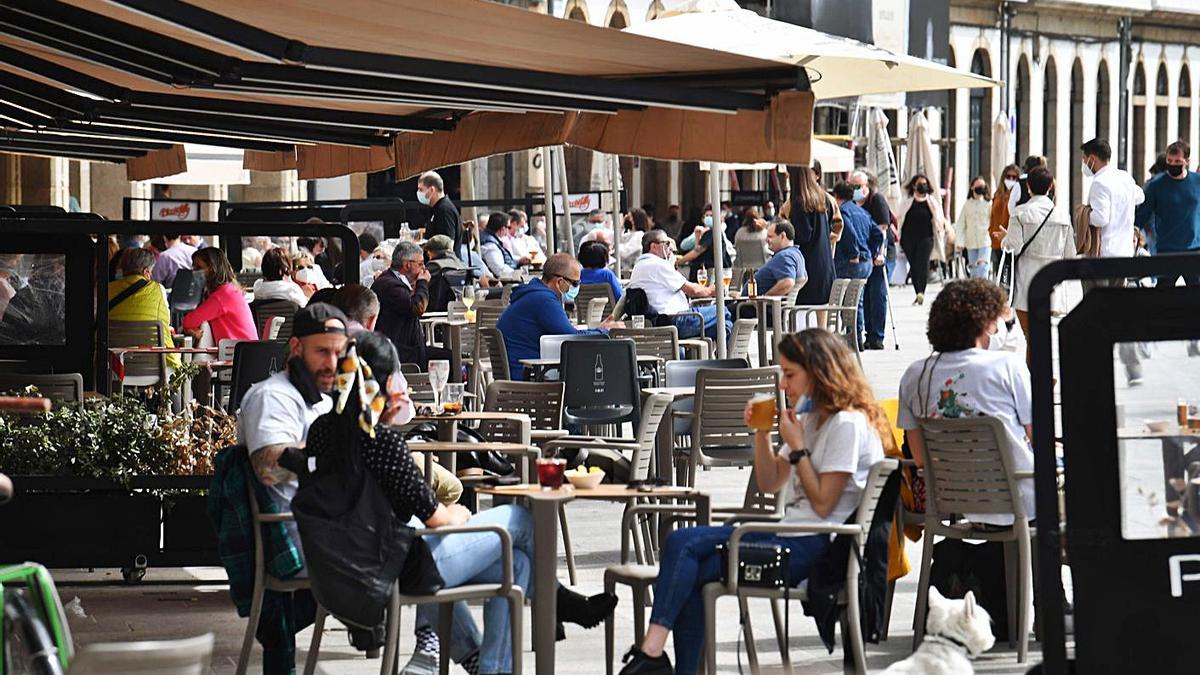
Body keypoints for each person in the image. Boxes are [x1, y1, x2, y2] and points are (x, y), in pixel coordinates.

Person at [619, 328, 889, 675]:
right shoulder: (808, 419)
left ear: (819, 372)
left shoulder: (846, 424)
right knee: (696, 573)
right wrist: (761, 433)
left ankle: (651, 654)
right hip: (793, 536)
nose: (782, 385)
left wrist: (800, 451)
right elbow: (769, 481)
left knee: (683, 542)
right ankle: (660, 660)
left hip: (820, 546)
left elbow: (823, 504)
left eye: (790, 374)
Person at [897, 279, 1035, 526]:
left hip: (951, 501)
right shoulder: (1007, 366)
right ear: (983, 323)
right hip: (1020, 503)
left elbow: (920, 458)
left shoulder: (913, 376)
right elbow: (1038, 438)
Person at [1082, 137, 1147, 384]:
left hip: (1102, 257)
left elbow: (1100, 219)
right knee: (1119, 311)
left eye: (1084, 160)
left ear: (1092, 159)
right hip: (1123, 255)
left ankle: (1095, 366)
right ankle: (1133, 368)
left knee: (1094, 312)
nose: (1084, 164)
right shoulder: (1124, 177)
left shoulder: (1099, 183)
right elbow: (1139, 197)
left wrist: (1083, 213)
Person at [496, 253, 619, 380]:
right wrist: (607, 332)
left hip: (521, 370)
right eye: (575, 283)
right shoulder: (543, 300)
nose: (577, 288)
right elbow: (572, 338)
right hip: (526, 375)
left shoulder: (533, 294)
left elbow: (567, 333)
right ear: (560, 282)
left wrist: (599, 329)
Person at [1002, 167, 1075, 364]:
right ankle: (1038, 380)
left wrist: (1004, 239)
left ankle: (1039, 380)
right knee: (1038, 336)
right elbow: (1070, 253)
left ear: (1028, 187)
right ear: (1051, 186)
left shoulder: (1020, 213)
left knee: (1031, 337)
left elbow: (1013, 247)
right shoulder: (1062, 215)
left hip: (1027, 280)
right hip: (1053, 281)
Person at [628, 230, 729, 340]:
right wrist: (712, 290)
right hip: (677, 320)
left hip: (661, 322)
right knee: (723, 311)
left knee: (721, 326)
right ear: (654, 247)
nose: (670, 248)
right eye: (666, 244)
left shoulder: (639, 266)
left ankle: (722, 354)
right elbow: (693, 291)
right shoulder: (657, 264)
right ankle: (732, 354)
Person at [372, 241, 451, 369]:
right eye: (420, 264)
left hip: (405, 348)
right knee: (450, 359)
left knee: (448, 355)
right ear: (407, 265)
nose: (424, 268)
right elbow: (417, 307)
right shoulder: (390, 284)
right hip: (399, 352)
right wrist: (422, 282)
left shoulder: (392, 280)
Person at [1136, 140, 1200, 287]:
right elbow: (1143, 214)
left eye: (1177, 161)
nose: (1173, 164)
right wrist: (1134, 231)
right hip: (1167, 250)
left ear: (1187, 161)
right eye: (1169, 161)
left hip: (1195, 250)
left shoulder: (1197, 182)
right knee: (1163, 296)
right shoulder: (1155, 186)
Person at [109, 248, 181, 371]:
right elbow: (166, 322)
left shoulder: (107, 289)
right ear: (146, 272)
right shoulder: (158, 290)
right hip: (154, 368)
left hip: (115, 367)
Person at [849, 169, 893, 350]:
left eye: (858, 186)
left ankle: (877, 336)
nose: (855, 189)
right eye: (852, 186)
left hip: (880, 252)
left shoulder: (876, 200)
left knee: (877, 293)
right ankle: (868, 334)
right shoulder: (853, 203)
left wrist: (879, 254)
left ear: (867, 186)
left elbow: (882, 229)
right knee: (865, 295)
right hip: (864, 255)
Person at [832, 182, 880, 347]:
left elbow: (849, 233)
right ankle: (857, 339)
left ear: (837, 197)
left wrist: (854, 254)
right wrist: (872, 253)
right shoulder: (863, 212)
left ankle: (853, 338)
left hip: (850, 262)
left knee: (846, 302)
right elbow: (878, 234)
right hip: (866, 263)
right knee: (857, 301)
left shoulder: (843, 212)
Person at [783, 165, 834, 319]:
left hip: (808, 267)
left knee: (800, 316)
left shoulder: (799, 202)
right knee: (820, 318)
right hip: (825, 266)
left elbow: (803, 236)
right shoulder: (821, 198)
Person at [182, 248, 256, 344]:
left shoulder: (221, 296)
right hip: (246, 350)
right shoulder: (230, 290)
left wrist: (189, 329)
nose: (195, 272)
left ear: (212, 268)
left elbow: (188, 321)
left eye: (199, 268)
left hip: (240, 353)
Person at [738, 221, 807, 321]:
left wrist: (763, 299)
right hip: (760, 309)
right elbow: (804, 279)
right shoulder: (797, 254)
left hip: (757, 311)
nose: (766, 240)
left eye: (770, 236)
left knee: (720, 314)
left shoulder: (785, 256)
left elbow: (788, 282)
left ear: (782, 236)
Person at [897, 173, 946, 305]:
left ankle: (921, 292)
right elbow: (899, 217)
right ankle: (917, 291)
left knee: (922, 263)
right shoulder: (907, 202)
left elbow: (938, 218)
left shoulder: (932, 202)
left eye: (924, 184)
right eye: (920, 183)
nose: (922, 186)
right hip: (908, 238)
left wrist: (941, 229)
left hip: (926, 238)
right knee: (913, 265)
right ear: (914, 185)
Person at [678, 204, 732, 283]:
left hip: (711, 274)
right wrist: (697, 237)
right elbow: (697, 249)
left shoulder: (713, 232)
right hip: (702, 272)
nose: (709, 218)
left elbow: (697, 252)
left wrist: (678, 262)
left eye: (711, 215)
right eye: (707, 215)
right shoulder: (706, 232)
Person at [957, 176, 995, 279]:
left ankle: (983, 291)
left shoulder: (989, 204)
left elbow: (993, 221)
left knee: (983, 267)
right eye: (978, 186)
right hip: (971, 242)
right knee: (973, 270)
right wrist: (959, 242)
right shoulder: (967, 205)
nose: (980, 188)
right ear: (972, 188)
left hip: (985, 241)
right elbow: (961, 224)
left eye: (982, 186)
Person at [422, 235, 470, 313]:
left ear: (431, 252)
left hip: (434, 313)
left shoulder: (434, 266)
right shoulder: (461, 265)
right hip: (460, 311)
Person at [418, 170, 463, 253]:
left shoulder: (445, 211)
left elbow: (446, 246)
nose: (418, 193)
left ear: (431, 190)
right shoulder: (435, 208)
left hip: (443, 264)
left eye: (421, 189)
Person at [991, 164, 1022, 273]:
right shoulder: (997, 195)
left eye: (1014, 177)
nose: (1011, 180)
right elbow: (993, 216)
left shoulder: (1018, 197)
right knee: (998, 274)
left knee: (1008, 274)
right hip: (996, 240)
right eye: (1008, 177)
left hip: (1010, 240)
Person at [480, 212, 528, 279]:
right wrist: (517, 274)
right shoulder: (489, 245)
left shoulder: (492, 241)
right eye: (508, 227)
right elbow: (499, 269)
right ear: (502, 228)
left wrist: (518, 261)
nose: (509, 230)